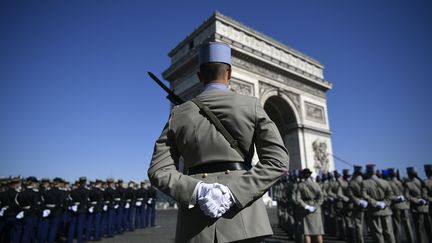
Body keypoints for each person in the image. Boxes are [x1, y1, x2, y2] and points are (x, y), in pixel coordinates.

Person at [148, 41, 289, 242]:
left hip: (194, 225)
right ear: (229, 73)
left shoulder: (178, 114)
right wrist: (234, 193)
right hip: (245, 222)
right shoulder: (252, 106)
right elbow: (278, 162)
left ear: (199, 75)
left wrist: (198, 190)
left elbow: (158, 171)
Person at [362, 164, 395, 243]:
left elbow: (364, 195)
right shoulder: (385, 182)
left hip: (373, 211)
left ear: (367, 172)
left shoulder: (364, 183)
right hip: (385, 209)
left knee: (377, 233)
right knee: (389, 232)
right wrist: (384, 203)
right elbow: (390, 195)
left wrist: (375, 203)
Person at [295, 168, 324, 243]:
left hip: (306, 209)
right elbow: (321, 197)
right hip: (316, 209)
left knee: (307, 233)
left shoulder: (300, 185)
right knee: (318, 232)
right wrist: (316, 206)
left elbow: (298, 198)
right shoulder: (316, 184)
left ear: (303, 176)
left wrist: (306, 206)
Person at [387, 168, 414, 243]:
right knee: (407, 225)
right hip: (405, 206)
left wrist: (396, 198)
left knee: (397, 226)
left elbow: (389, 196)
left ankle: (398, 241)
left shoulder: (389, 183)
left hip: (396, 206)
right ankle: (411, 240)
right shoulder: (403, 182)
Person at [404, 167, 430, 243]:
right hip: (426, 207)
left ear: (408, 174)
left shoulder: (408, 184)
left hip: (416, 208)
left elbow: (407, 196)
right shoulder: (423, 182)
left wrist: (417, 200)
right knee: (429, 228)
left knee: (419, 230)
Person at [348, 165, 367, 243]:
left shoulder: (351, 182)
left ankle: (360, 241)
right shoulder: (366, 180)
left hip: (358, 204)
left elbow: (350, 194)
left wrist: (358, 201)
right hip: (369, 203)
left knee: (358, 224)